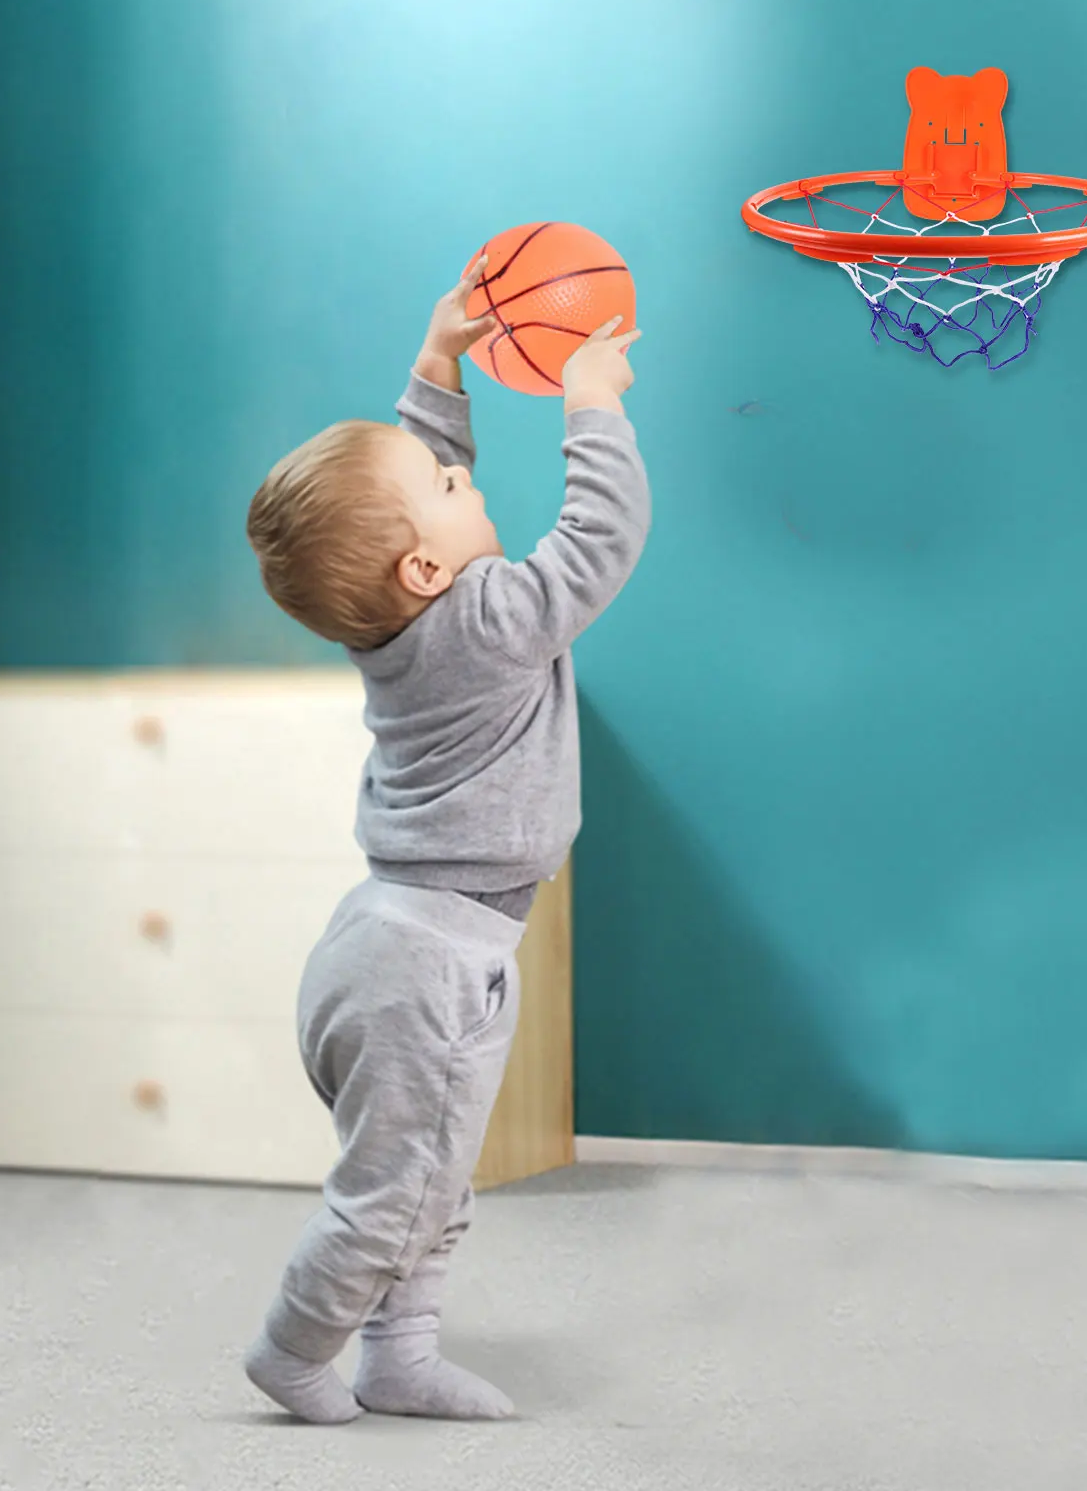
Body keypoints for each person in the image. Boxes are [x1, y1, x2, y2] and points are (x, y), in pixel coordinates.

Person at [240, 263, 649, 1422]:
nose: (467, 477)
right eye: (450, 479)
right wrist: (591, 402)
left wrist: (438, 368)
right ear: (426, 568)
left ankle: (400, 1357)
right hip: (421, 963)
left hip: (410, 947)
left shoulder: (409, 623)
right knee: (390, 1195)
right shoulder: (484, 620)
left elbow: (395, 516)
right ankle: (291, 1346)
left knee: (430, 1184)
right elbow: (600, 538)